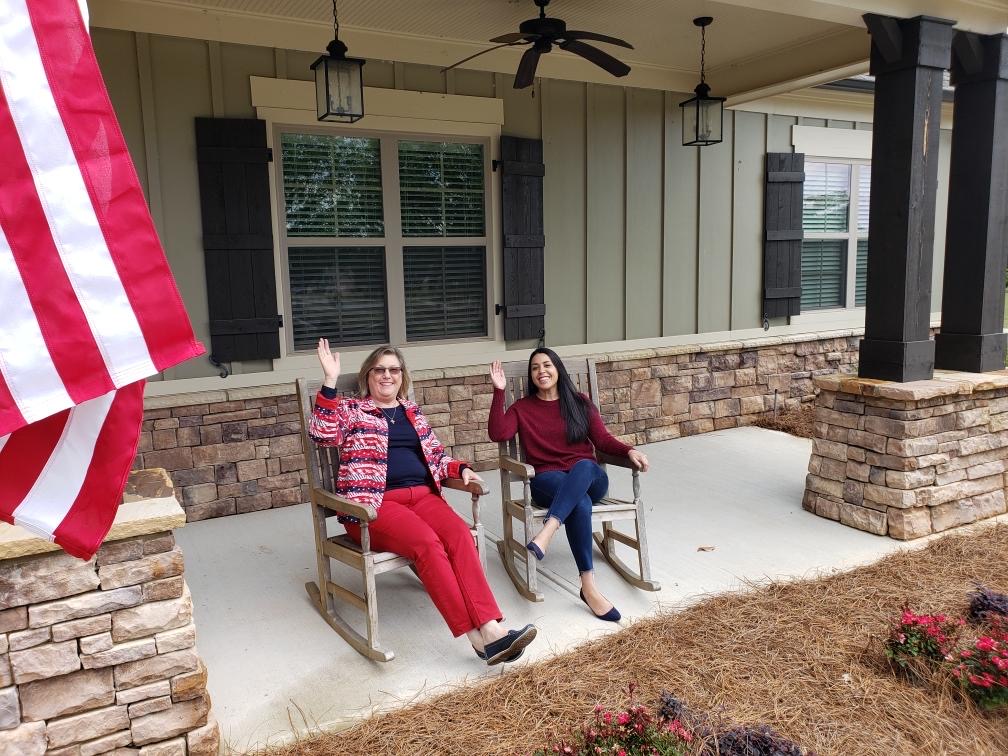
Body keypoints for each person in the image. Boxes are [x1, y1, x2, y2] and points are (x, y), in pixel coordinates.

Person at [309, 339, 537, 664]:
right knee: (428, 545)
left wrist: (462, 469)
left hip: (424, 496)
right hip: (374, 504)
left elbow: (437, 457)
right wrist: (330, 380)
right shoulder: (351, 410)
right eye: (380, 370)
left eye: (394, 370)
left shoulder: (412, 412)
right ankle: (476, 637)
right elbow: (320, 434)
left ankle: (492, 629)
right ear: (368, 375)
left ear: (402, 376)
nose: (387, 375)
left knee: (459, 536)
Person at [488, 348, 650, 622]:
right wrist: (499, 391)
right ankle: (589, 586)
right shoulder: (522, 408)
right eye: (535, 367)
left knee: (585, 465)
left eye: (547, 365)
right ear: (531, 375)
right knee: (580, 503)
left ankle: (548, 531)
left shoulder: (580, 402)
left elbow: (603, 441)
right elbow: (498, 433)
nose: (542, 371)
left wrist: (629, 450)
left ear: (558, 369)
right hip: (548, 482)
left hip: (590, 478)